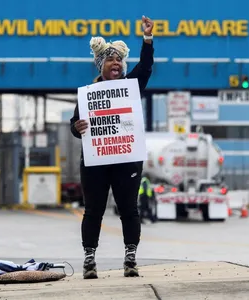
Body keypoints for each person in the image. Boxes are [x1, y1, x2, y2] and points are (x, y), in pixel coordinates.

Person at [70, 15, 154, 279]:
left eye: (119, 59)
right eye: (110, 59)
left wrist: (147, 38)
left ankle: (130, 258)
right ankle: (89, 259)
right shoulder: (88, 94)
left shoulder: (131, 86)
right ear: (100, 65)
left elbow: (147, 66)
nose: (116, 62)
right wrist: (78, 127)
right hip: (95, 161)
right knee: (93, 210)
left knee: (129, 209)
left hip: (126, 159)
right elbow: (74, 123)